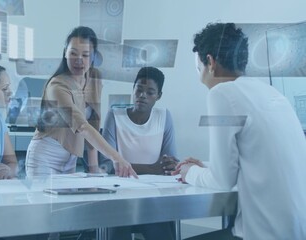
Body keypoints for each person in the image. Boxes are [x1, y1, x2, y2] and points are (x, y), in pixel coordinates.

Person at [172, 22, 306, 240]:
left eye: (198, 69)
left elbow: (222, 180)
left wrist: (189, 173)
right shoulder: (271, 94)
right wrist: (205, 165)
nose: (199, 76)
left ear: (210, 62)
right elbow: (254, 161)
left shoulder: (221, 93)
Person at [25, 26, 137, 178]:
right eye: (73, 53)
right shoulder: (57, 86)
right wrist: (116, 157)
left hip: (70, 159)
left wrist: (94, 169)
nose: (79, 60)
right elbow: (82, 126)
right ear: (65, 52)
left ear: (93, 57)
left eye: (85, 55)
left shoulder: (94, 78)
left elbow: (93, 125)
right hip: (45, 157)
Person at [101, 67, 177, 240]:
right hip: (119, 198)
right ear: (133, 89)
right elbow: (105, 165)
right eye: (139, 89)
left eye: (150, 92)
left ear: (159, 96)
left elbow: (170, 161)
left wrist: (166, 166)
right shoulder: (115, 115)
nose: (142, 95)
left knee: (163, 232)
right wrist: (152, 168)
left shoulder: (164, 116)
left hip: (153, 198)